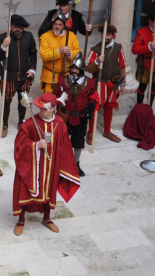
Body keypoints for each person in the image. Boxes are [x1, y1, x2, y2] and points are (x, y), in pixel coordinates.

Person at [13, 93, 80, 236]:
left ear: (52, 109)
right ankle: (21, 220)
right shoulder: (30, 123)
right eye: (40, 108)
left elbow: (65, 145)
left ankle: (47, 218)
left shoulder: (60, 124)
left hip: (51, 165)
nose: (41, 111)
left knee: (49, 190)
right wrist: (35, 145)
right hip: (32, 166)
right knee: (26, 189)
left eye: (44, 109)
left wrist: (65, 164)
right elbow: (19, 144)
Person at [55, 52, 98, 176]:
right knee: (61, 140)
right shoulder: (63, 81)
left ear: (81, 70)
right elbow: (57, 96)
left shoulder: (89, 83)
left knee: (78, 142)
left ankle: (76, 163)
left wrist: (90, 109)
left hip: (81, 117)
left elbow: (92, 97)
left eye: (76, 69)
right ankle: (61, 163)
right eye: (72, 68)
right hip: (65, 116)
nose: (74, 71)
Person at [85, 24, 126, 144]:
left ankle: (107, 131)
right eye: (104, 34)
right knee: (95, 108)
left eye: (108, 34)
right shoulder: (95, 49)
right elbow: (88, 68)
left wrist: (122, 83)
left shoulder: (118, 47)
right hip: (99, 83)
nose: (106, 37)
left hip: (113, 84)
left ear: (113, 35)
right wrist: (97, 61)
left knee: (109, 107)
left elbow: (122, 66)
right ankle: (90, 133)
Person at [39, 10, 81, 94]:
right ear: (52, 24)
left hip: (66, 76)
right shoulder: (45, 37)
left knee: (65, 103)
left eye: (60, 24)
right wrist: (59, 51)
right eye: (55, 24)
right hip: (50, 77)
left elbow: (78, 52)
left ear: (64, 25)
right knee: (49, 103)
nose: (57, 27)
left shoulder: (71, 36)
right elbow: (44, 55)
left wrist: (71, 54)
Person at [132, 8, 155, 106]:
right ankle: (139, 107)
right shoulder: (141, 32)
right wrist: (149, 46)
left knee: (153, 89)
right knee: (142, 87)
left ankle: (149, 109)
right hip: (145, 65)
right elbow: (135, 50)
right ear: (150, 21)